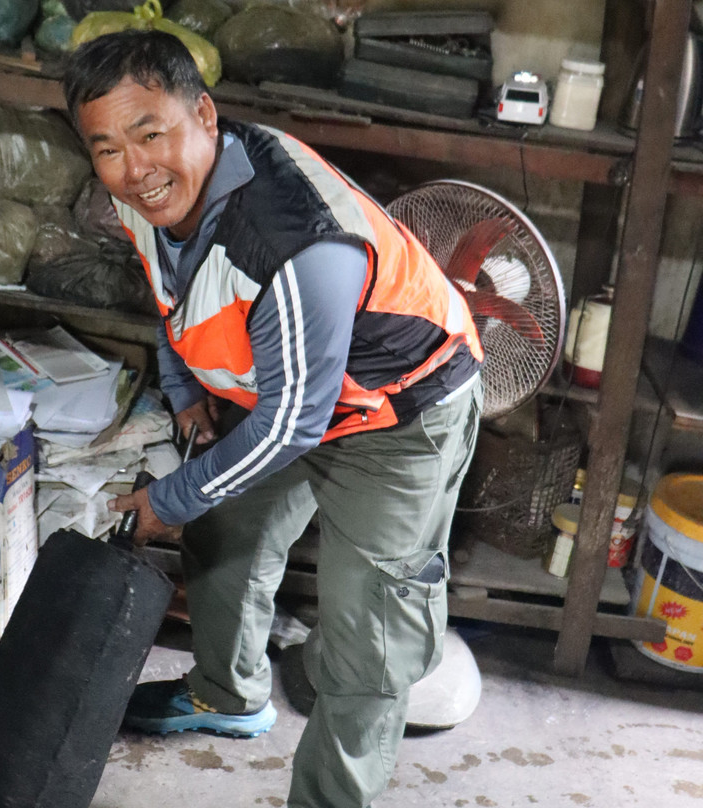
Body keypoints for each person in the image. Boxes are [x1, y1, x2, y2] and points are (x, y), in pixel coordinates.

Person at [62, 30, 484, 808]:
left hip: (398, 417)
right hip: (289, 395)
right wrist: (184, 389)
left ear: (206, 116)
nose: (136, 167)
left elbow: (293, 424)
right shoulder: (148, 197)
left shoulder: (293, 239)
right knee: (225, 534)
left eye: (151, 134)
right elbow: (171, 295)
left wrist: (168, 499)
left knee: (368, 640)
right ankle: (229, 698)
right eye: (108, 148)